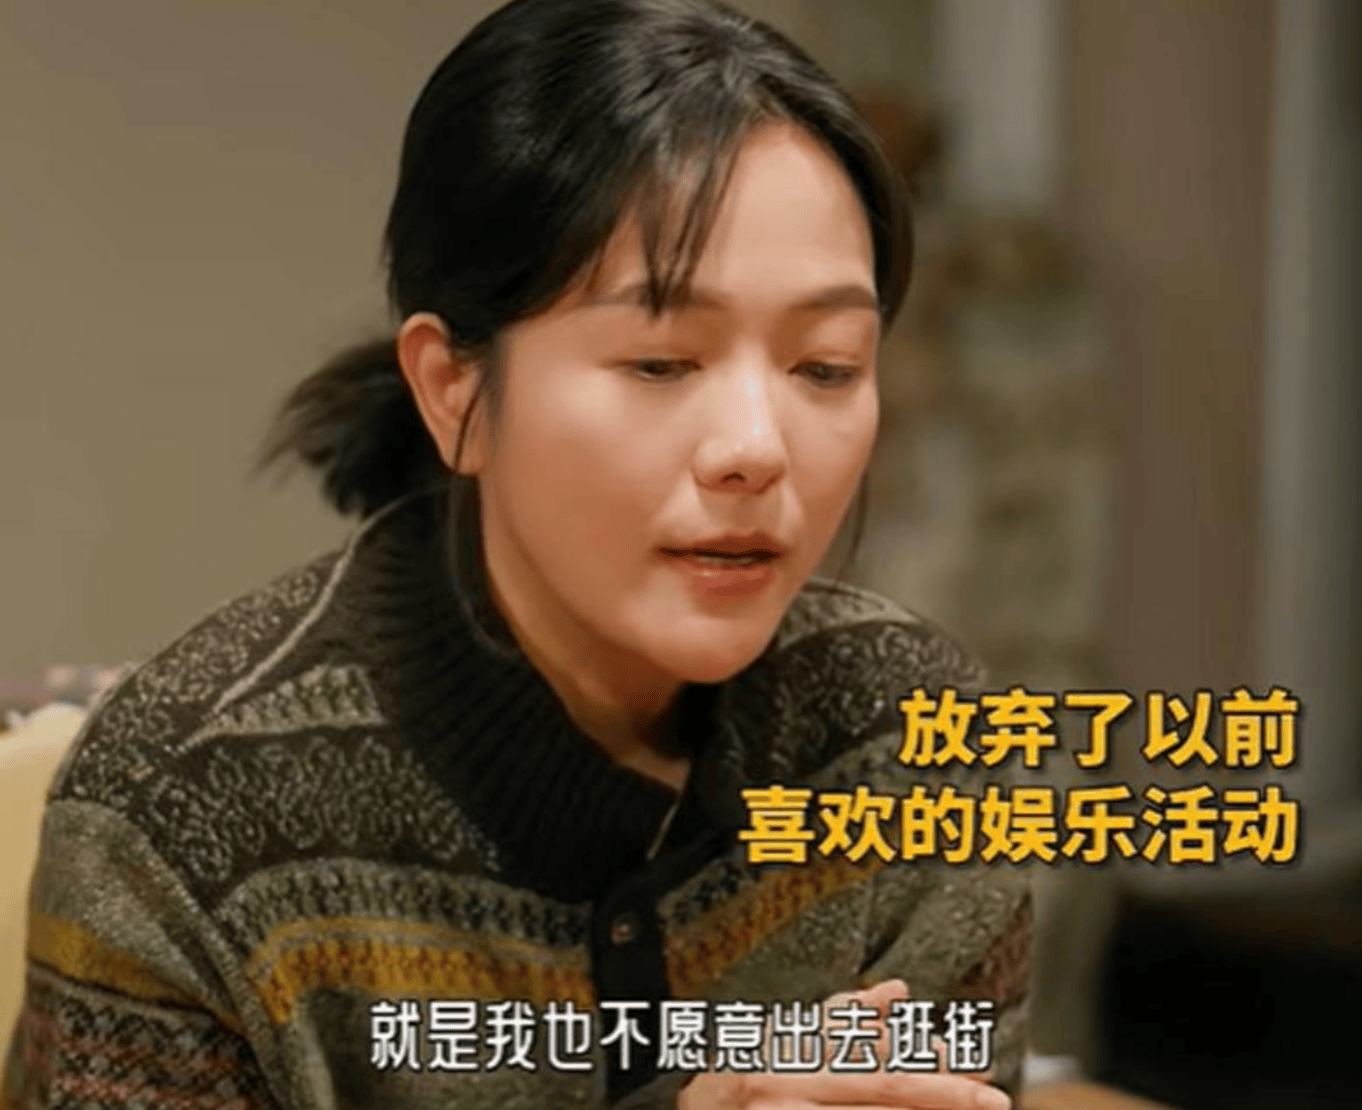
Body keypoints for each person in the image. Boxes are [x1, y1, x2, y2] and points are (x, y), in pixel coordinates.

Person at [1, 1, 1030, 1107]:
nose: (756, 449)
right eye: (659, 362)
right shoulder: (183, 808)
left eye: (825, 367)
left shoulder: (911, 738)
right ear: (453, 388)